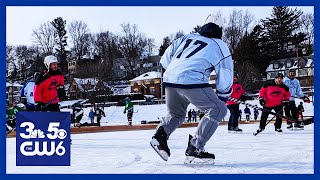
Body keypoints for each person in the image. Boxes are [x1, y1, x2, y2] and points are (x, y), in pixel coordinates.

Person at [150, 20, 233, 162]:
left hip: (170, 80)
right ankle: (196, 147)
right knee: (219, 109)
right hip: (192, 81)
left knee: (176, 113)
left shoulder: (187, 37)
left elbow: (165, 60)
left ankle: (160, 136)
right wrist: (223, 96)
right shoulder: (219, 44)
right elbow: (225, 72)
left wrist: (179, 71)